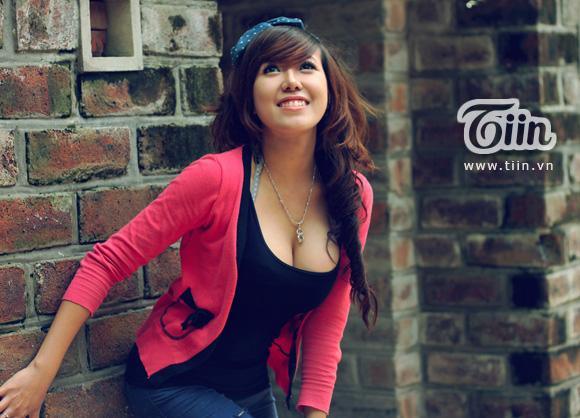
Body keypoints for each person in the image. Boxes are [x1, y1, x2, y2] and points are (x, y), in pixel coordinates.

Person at [0, 16, 378, 418]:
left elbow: (327, 321)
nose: (291, 81)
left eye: (305, 66)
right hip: (172, 383)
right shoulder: (216, 179)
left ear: (329, 86)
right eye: (271, 69)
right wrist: (41, 372)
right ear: (249, 95)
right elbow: (108, 261)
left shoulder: (351, 196)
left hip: (251, 390)